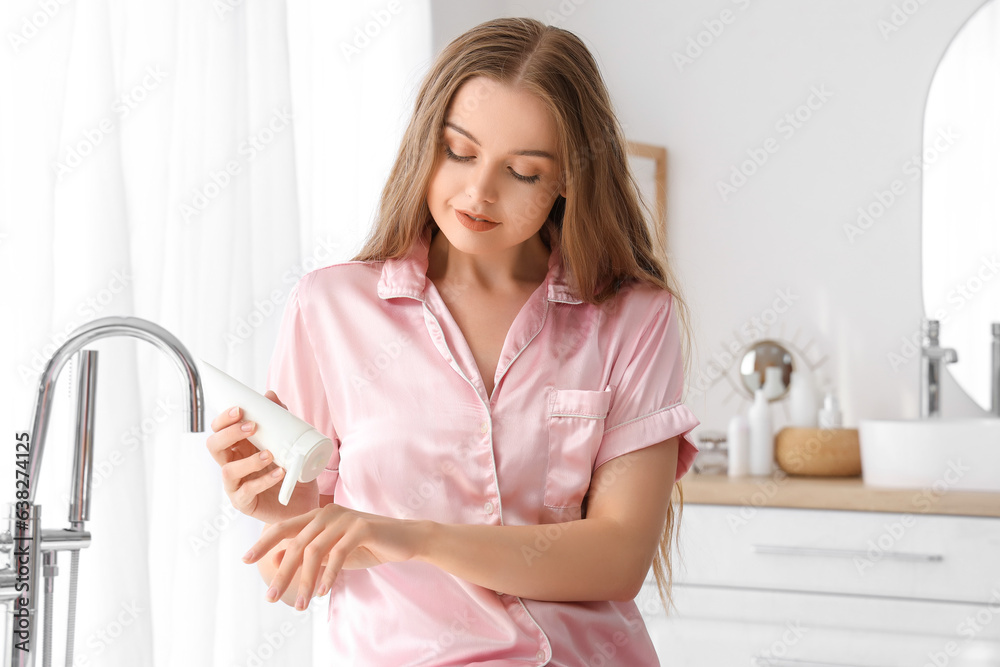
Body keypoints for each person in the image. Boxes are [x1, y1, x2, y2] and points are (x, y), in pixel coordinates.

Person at [205, 16, 700, 666]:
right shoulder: (330, 307)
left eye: (523, 170)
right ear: (426, 144)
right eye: (459, 152)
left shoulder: (633, 317)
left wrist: (416, 537)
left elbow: (617, 557)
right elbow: (323, 525)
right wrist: (275, 501)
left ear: (568, 180)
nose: (479, 191)